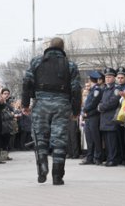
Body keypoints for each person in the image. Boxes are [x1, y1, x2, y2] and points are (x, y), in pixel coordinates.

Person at [21, 37, 81, 185]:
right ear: (63, 47)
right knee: (59, 139)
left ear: (49, 46)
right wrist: (76, 110)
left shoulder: (36, 62)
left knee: (40, 137)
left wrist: (25, 104)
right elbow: (76, 89)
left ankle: (42, 166)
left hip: (40, 103)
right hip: (62, 104)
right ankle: (57, 175)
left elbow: (27, 82)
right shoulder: (70, 65)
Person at [98, 68, 120, 167]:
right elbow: (102, 101)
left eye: (109, 77)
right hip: (104, 119)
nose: (107, 79)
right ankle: (109, 158)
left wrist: (101, 107)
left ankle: (113, 159)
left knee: (112, 141)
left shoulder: (116, 89)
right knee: (107, 141)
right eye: (106, 77)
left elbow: (113, 102)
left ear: (114, 78)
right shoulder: (105, 89)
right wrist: (100, 106)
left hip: (111, 118)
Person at [80, 71, 104, 165]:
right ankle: (90, 157)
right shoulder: (92, 90)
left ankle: (98, 157)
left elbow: (93, 103)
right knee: (89, 138)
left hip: (94, 116)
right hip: (89, 117)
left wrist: (85, 109)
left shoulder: (97, 90)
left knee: (95, 138)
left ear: (90, 80)